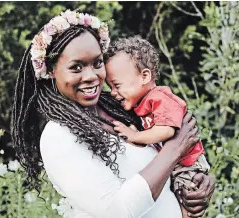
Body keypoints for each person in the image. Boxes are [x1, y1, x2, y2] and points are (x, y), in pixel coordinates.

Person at [12, 10, 215, 218]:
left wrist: (199, 181)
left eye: (97, 63)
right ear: (52, 71)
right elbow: (116, 212)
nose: (91, 76)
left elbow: (162, 170)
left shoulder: (119, 109)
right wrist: (174, 151)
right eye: (76, 67)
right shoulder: (58, 136)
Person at [104, 36, 211, 217]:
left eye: (117, 85)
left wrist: (134, 136)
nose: (113, 93)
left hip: (188, 164)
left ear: (145, 76)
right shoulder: (140, 103)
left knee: (188, 202)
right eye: (110, 87)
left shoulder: (160, 98)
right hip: (177, 163)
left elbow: (166, 130)